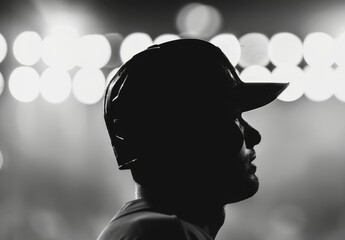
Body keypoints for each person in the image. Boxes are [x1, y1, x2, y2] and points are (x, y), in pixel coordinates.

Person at [97, 38, 289, 240]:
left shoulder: (140, 229)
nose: (254, 136)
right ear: (184, 136)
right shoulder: (163, 233)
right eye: (232, 117)